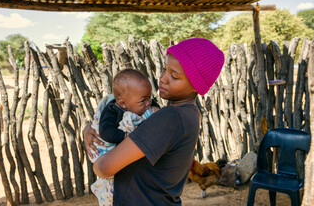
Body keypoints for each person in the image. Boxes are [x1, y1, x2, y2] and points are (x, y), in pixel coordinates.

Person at [84, 38, 225, 205]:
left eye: (174, 76)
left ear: (196, 85)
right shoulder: (189, 114)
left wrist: (97, 150)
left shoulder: (170, 118)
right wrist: (90, 128)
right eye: (165, 69)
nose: (163, 78)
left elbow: (105, 168)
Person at [89, 68, 160, 206]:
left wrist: (156, 109)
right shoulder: (112, 110)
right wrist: (125, 135)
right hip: (106, 154)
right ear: (123, 104)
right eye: (143, 100)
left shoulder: (143, 102)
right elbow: (105, 132)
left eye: (149, 97)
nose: (149, 103)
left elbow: (152, 106)